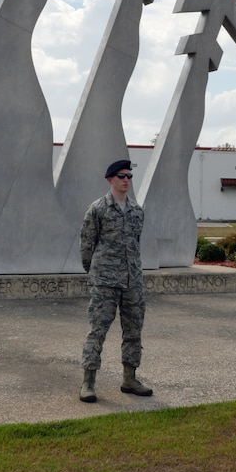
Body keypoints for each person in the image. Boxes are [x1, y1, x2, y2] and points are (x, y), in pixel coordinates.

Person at [78, 158, 153, 403]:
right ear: (110, 179)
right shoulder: (97, 209)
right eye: (121, 176)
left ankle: (129, 378)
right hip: (105, 281)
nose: (126, 180)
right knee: (97, 330)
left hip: (132, 281)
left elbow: (136, 244)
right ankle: (88, 381)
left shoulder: (137, 211)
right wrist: (97, 273)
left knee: (133, 331)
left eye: (129, 176)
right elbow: (87, 246)